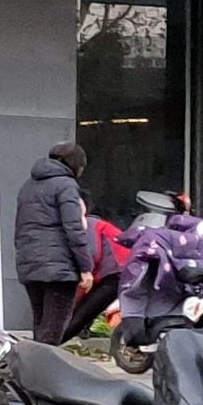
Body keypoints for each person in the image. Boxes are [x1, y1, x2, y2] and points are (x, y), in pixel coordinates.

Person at [14, 143, 93, 344]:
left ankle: (32, 372)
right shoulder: (66, 185)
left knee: (40, 327)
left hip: (30, 264)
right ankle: (41, 373)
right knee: (52, 333)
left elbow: (19, 229)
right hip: (59, 269)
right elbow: (73, 229)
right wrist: (85, 268)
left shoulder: (28, 185)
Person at [63, 210, 128, 341]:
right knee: (84, 310)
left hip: (116, 272)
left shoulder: (91, 226)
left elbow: (92, 256)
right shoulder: (95, 225)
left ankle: (50, 343)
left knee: (83, 313)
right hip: (115, 271)